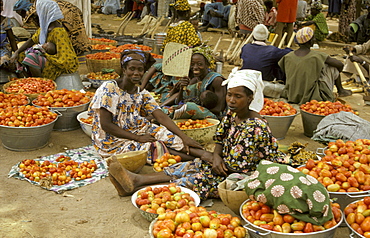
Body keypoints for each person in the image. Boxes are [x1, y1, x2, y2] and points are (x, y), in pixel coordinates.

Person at [106, 68, 286, 200]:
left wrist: (214, 163)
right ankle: (136, 180)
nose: (231, 100)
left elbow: (239, 168)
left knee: (195, 179)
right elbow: (220, 140)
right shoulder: (233, 114)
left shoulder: (255, 127)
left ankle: (139, 185)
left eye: (237, 96)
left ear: (250, 98)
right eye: (229, 94)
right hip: (226, 165)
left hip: (244, 176)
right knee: (188, 165)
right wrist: (215, 156)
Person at [88, 49, 213, 166]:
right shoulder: (110, 88)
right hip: (112, 140)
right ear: (124, 70)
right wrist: (138, 138)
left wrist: (184, 138)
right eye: (132, 69)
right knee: (151, 147)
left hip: (136, 129)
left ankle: (204, 154)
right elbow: (106, 125)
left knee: (166, 135)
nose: (136, 73)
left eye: (140, 69)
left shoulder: (141, 93)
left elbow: (161, 116)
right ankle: (198, 159)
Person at [278, 27, 352, 105]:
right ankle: (341, 90)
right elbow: (340, 65)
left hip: (291, 94)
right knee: (332, 67)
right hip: (312, 96)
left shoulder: (288, 57)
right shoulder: (317, 56)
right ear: (311, 41)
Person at [10, 0, 78, 80]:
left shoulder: (58, 31)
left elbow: (65, 58)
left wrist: (45, 54)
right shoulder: (46, 27)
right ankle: (30, 80)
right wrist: (17, 52)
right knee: (21, 55)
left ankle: (40, 82)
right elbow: (32, 40)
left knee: (31, 57)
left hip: (58, 63)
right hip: (47, 56)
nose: (36, 14)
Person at [160, 46, 227, 120]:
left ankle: (160, 117)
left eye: (199, 64)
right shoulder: (195, 80)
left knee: (187, 108)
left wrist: (195, 110)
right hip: (196, 110)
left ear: (207, 65)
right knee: (172, 109)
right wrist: (182, 89)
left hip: (213, 116)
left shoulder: (216, 80)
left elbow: (219, 109)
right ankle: (159, 112)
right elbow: (179, 101)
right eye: (192, 64)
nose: (195, 67)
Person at [14, 0, 91, 55]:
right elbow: (38, 34)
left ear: (22, 10)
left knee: (71, 34)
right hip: (71, 11)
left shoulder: (36, 10)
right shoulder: (39, 5)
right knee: (74, 32)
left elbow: (41, 29)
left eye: (20, 13)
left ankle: (72, 51)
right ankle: (77, 49)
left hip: (67, 13)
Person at [240, 24, 292, 97]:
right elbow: (290, 53)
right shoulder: (272, 51)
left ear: (253, 36)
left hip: (247, 79)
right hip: (265, 81)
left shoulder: (246, 47)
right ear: (267, 37)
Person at [0, 0, 17, 66]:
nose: (1, 7)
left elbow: (12, 39)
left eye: (1, 5)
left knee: (5, 61)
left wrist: (16, 53)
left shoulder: (5, 21)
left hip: (3, 49)